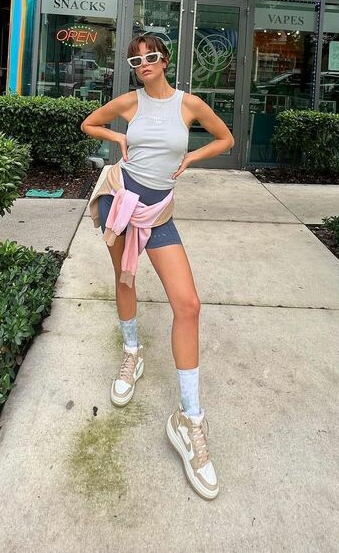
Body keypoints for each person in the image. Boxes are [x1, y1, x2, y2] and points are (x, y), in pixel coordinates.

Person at [81, 33, 234, 500]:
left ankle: (188, 419)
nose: (143, 63)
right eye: (136, 60)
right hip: (119, 199)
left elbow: (226, 139)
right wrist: (117, 136)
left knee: (188, 305)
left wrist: (192, 156)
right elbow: (90, 123)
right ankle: (133, 352)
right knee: (124, 279)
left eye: (150, 57)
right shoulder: (130, 102)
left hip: (159, 213)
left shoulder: (190, 104)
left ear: (165, 60)